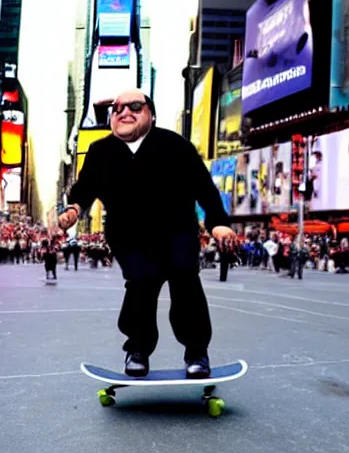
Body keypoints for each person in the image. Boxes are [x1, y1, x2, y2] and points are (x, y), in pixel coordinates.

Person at [58, 89, 235, 379]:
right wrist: (74, 208)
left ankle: (196, 352)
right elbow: (85, 188)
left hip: (177, 230)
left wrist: (218, 222)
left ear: (151, 114)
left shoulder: (176, 145)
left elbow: (204, 187)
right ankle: (137, 349)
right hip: (129, 235)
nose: (124, 112)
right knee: (141, 281)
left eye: (134, 106)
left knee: (184, 278)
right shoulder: (101, 151)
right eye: (117, 109)